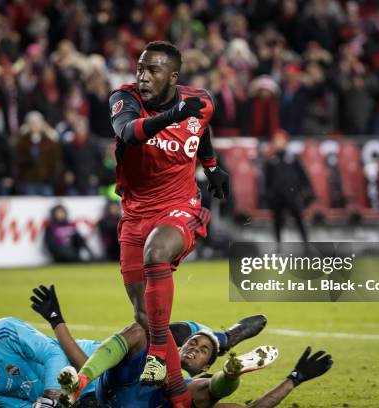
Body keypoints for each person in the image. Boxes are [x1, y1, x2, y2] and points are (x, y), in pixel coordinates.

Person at [109, 41, 230, 399]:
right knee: (145, 318)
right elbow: (129, 132)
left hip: (181, 206)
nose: (143, 76)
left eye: (153, 70)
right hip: (135, 214)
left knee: (157, 252)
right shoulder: (124, 98)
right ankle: (180, 399)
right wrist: (174, 116)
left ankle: (158, 355)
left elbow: (201, 126)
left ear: (173, 76)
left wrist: (211, 166)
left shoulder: (200, 100)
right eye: (141, 68)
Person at [30, 285, 332, 408]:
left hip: (170, 388)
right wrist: (56, 318)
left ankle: (228, 363)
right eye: (192, 345)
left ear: (205, 365)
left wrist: (294, 380)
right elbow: (84, 360)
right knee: (141, 331)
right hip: (101, 389)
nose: (193, 350)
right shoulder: (143, 353)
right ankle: (225, 340)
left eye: (201, 351)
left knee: (198, 390)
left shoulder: (192, 388)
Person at [263, 129, 313, 245]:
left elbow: (302, 175)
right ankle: (278, 245)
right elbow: (266, 180)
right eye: (276, 141)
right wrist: (268, 194)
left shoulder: (292, 159)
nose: (279, 143)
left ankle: (306, 245)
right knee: (277, 222)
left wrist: (306, 188)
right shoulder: (271, 161)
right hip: (277, 197)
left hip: (292, 195)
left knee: (299, 220)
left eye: (281, 140)